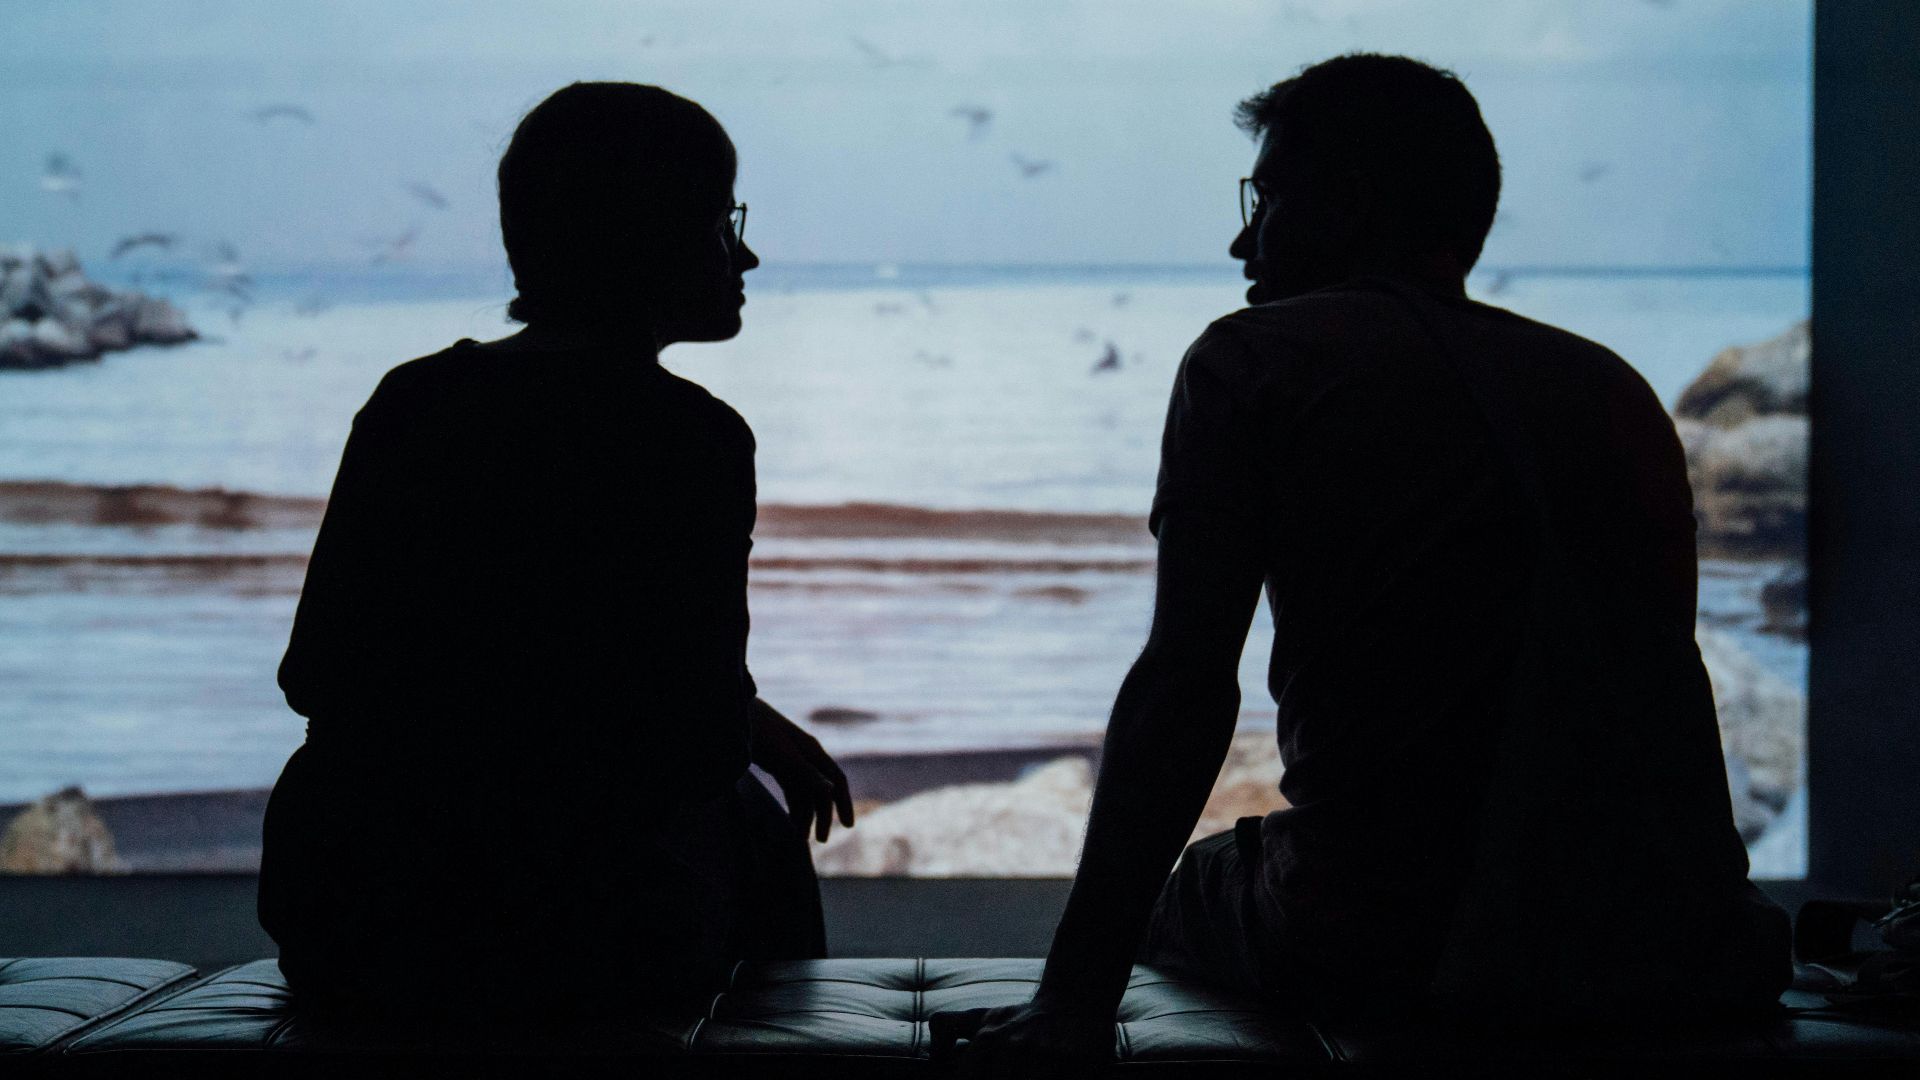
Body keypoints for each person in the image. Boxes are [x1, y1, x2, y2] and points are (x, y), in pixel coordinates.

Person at [932, 53, 1790, 1071]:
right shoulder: (1611, 388)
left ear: (1347, 203)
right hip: (1675, 939)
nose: (1242, 237)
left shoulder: (1253, 361)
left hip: (1401, 938)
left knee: (1193, 893)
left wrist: (1074, 1000)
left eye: (1268, 197)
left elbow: (1185, 683)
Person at [257, 82, 853, 1020]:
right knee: (758, 832)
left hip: (350, 915)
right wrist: (740, 741)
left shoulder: (413, 403)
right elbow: (688, 739)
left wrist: (750, 721)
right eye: (720, 219)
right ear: (647, 232)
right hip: (580, 935)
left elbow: (321, 673)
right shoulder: (690, 437)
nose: (746, 252)